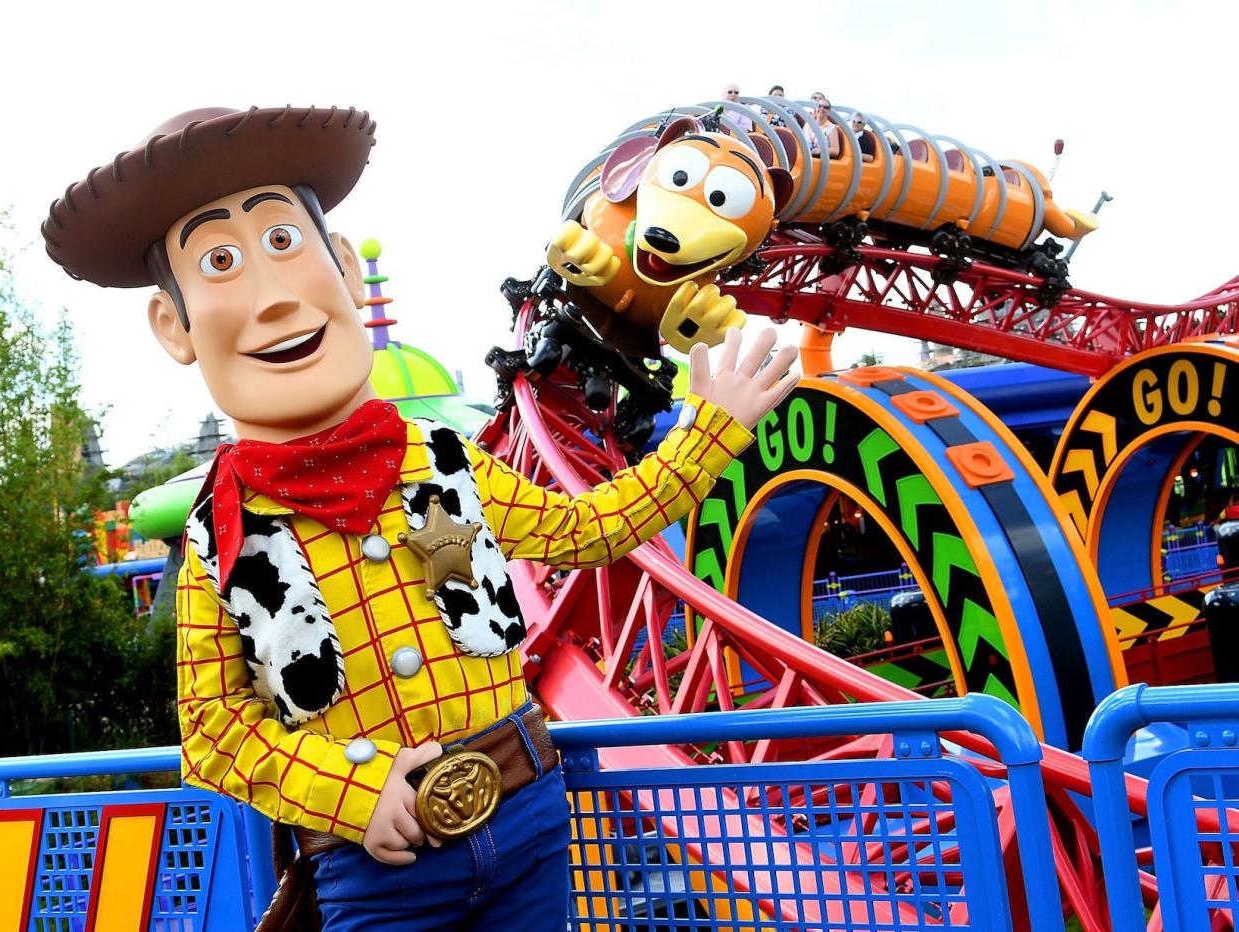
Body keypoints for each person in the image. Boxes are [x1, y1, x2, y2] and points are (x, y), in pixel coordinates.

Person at [41, 105, 798, 932]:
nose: (272, 300)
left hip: (531, 823)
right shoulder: (218, 534)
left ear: (344, 269)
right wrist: (355, 793)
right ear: (173, 327)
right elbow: (213, 731)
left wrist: (713, 428)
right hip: (378, 873)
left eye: (286, 244)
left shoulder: (439, 459)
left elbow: (592, 529)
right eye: (221, 263)